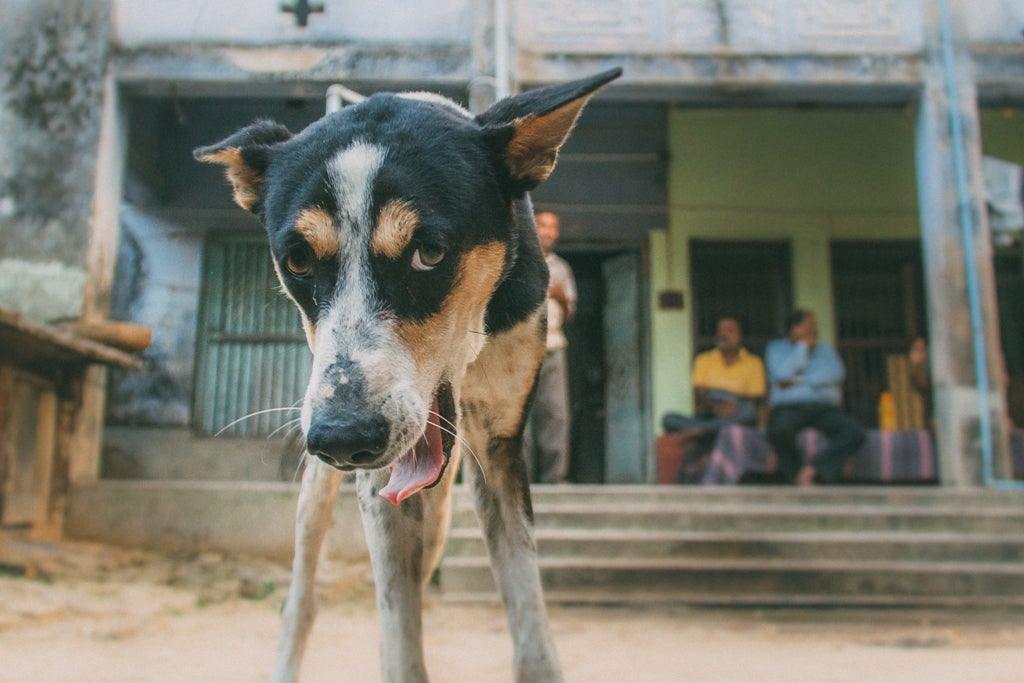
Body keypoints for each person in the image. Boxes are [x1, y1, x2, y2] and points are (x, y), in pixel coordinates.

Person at [765, 309, 865, 486]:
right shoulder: (776, 349)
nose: (814, 331)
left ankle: (814, 470)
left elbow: (835, 375)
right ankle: (797, 475)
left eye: (815, 327)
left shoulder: (825, 351)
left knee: (854, 432)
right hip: (789, 407)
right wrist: (801, 349)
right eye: (809, 327)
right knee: (778, 430)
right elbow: (781, 375)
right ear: (794, 329)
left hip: (822, 407)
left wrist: (798, 380)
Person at [522, 210, 577, 484]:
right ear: (533, 227)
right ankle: (522, 480)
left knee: (555, 414)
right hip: (520, 350)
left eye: (553, 228)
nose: (548, 232)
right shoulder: (519, 261)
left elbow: (571, 313)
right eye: (543, 225)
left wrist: (561, 297)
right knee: (519, 416)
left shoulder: (562, 268)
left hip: (554, 346)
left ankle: (554, 478)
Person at [662, 316, 766, 440]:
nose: (723, 334)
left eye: (729, 330)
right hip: (710, 409)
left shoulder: (754, 362)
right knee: (668, 419)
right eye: (720, 330)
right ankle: (708, 429)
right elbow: (699, 392)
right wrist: (715, 407)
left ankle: (700, 430)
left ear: (740, 336)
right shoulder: (704, 359)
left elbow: (755, 397)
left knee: (749, 411)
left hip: (737, 408)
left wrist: (732, 406)